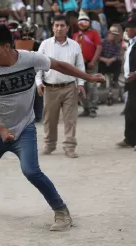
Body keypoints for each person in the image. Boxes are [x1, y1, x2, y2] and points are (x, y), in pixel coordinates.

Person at [0, 24, 105, 231]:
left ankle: (62, 212)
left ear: (7, 47)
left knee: (31, 171)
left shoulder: (30, 58)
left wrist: (88, 77)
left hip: (24, 128)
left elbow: (59, 66)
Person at [36, 15, 86, 158]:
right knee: (49, 119)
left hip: (70, 86)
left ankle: (70, 147)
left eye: (62, 25)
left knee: (70, 119)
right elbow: (38, 65)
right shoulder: (45, 45)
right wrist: (38, 82)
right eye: (56, 25)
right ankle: (49, 145)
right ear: (52, 27)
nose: (59, 28)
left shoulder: (75, 45)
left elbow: (80, 66)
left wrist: (81, 83)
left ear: (67, 28)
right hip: (50, 87)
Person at [117, 14, 136, 150]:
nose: (126, 31)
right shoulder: (131, 42)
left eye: (129, 28)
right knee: (130, 111)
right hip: (130, 82)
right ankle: (130, 138)